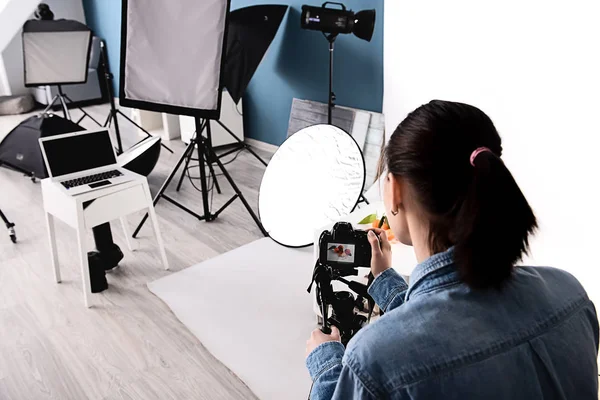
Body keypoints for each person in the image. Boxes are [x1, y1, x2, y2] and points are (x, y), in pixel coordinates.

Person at [305, 100, 599, 399]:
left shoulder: (371, 362)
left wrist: (327, 365)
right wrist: (386, 282)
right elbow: (449, 325)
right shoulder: (570, 293)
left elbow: (423, 341)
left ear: (394, 191)